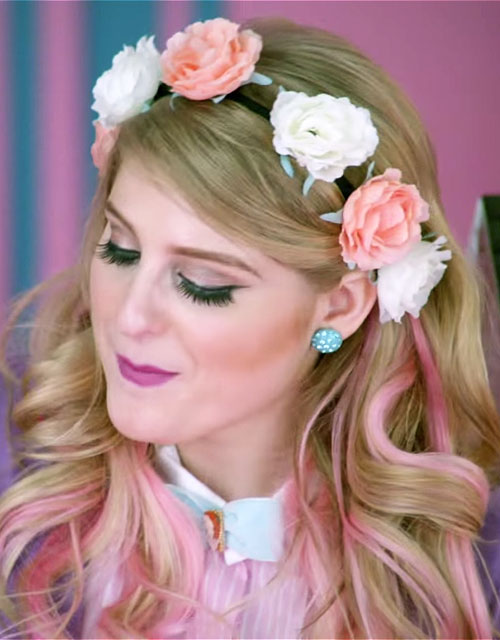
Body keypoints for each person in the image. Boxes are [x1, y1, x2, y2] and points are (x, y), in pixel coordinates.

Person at [1, 15, 500, 639]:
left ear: (340, 307)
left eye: (204, 283)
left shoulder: (467, 559)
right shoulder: (20, 482)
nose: (130, 317)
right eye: (121, 250)